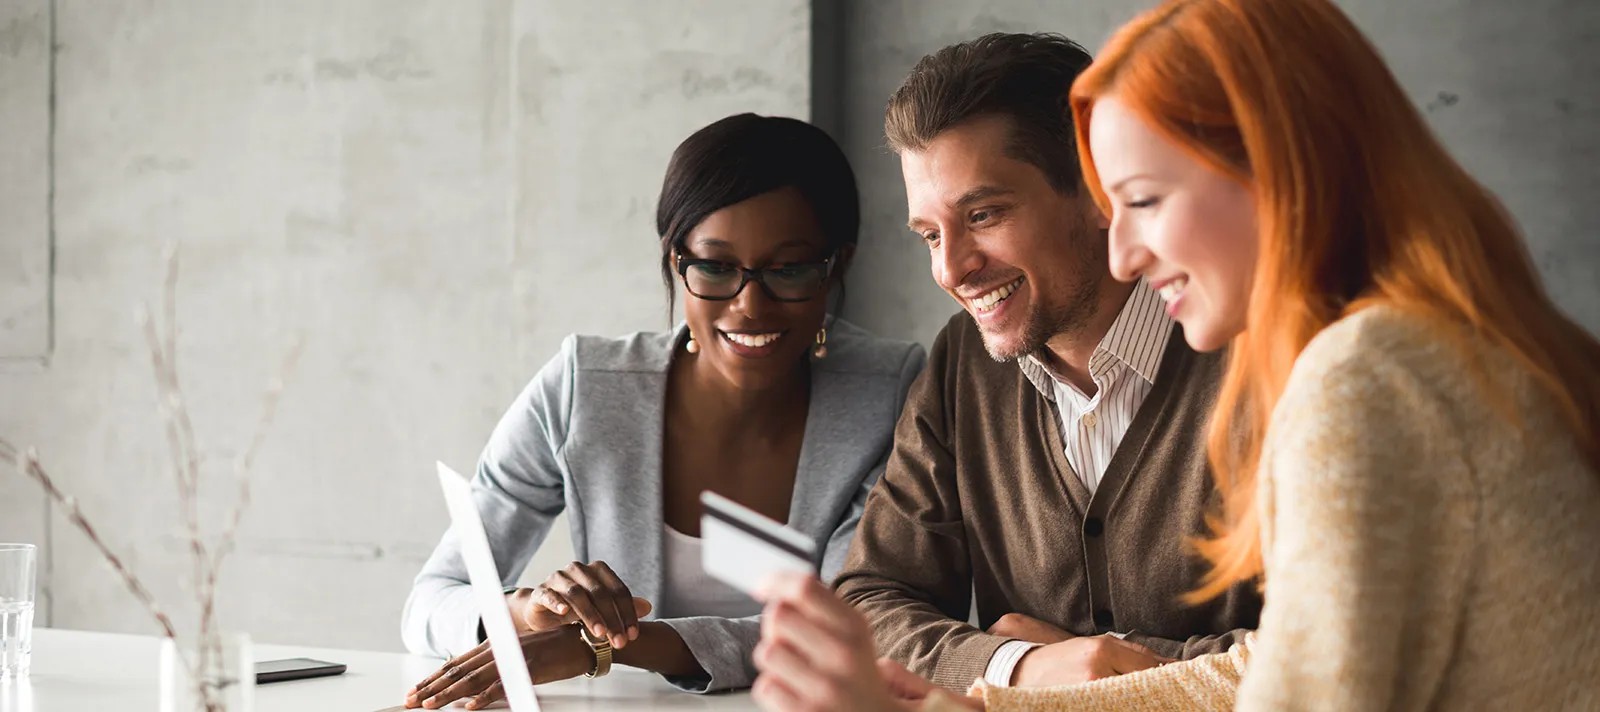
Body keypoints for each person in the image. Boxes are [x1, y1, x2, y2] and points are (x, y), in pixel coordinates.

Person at [750, 0, 1600, 710]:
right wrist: (1018, 678)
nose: (1126, 253)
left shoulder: (1360, 371)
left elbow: (1290, 679)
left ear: (1271, 169)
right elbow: (1274, 667)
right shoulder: (1426, 345)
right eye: (930, 232)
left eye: (1145, 199)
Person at [399, 113, 927, 709]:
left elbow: (850, 628)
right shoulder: (584, 388)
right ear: (677, 261)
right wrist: (529, 612)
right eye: (716, 266)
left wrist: (605, 648)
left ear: (839, 266)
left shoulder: (892, 393)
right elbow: (430, 601)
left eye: (790, 269)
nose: (750, 305)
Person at [828, 31, 1261, 695]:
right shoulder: (963, 365)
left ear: (1096, 192)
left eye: (985, 213)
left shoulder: (1264, 354)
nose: (951, 268)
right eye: (931, 235)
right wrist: (1020, 666)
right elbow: (868, 603)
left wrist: (1098, 667)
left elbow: (1322, 650)